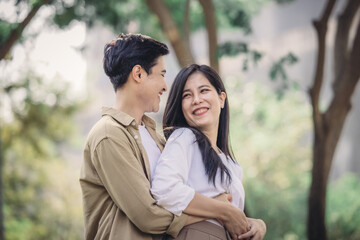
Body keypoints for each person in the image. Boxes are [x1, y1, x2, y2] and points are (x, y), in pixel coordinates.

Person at [80, 33, 252, 240]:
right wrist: (219, 210)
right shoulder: (109, 134)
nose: (165, 86)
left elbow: (187, 195)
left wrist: (251, 223)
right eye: (161, 74)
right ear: (139, 74)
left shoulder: (155, 137)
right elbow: (148, 215)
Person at [151, 64, 267, 240]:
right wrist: (222, 209)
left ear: (221, 99)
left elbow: (228, 215)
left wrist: (257, 224)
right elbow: (165, 190)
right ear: (181, 106)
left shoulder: (231, 164)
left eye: (203, 91)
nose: (196, 100)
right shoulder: (185, 137)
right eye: (187, 95)